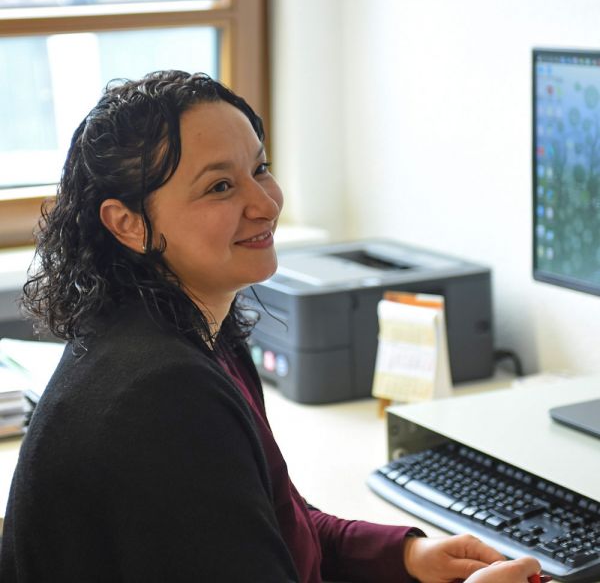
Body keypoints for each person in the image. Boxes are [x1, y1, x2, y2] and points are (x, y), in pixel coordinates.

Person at [0, 70, 543, 582]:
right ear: (128, 224)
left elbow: (277, 524)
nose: (265, 203)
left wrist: (403, 554)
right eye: (220, 187)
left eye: (260, 169)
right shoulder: (161, 393)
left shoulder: (193, 333)